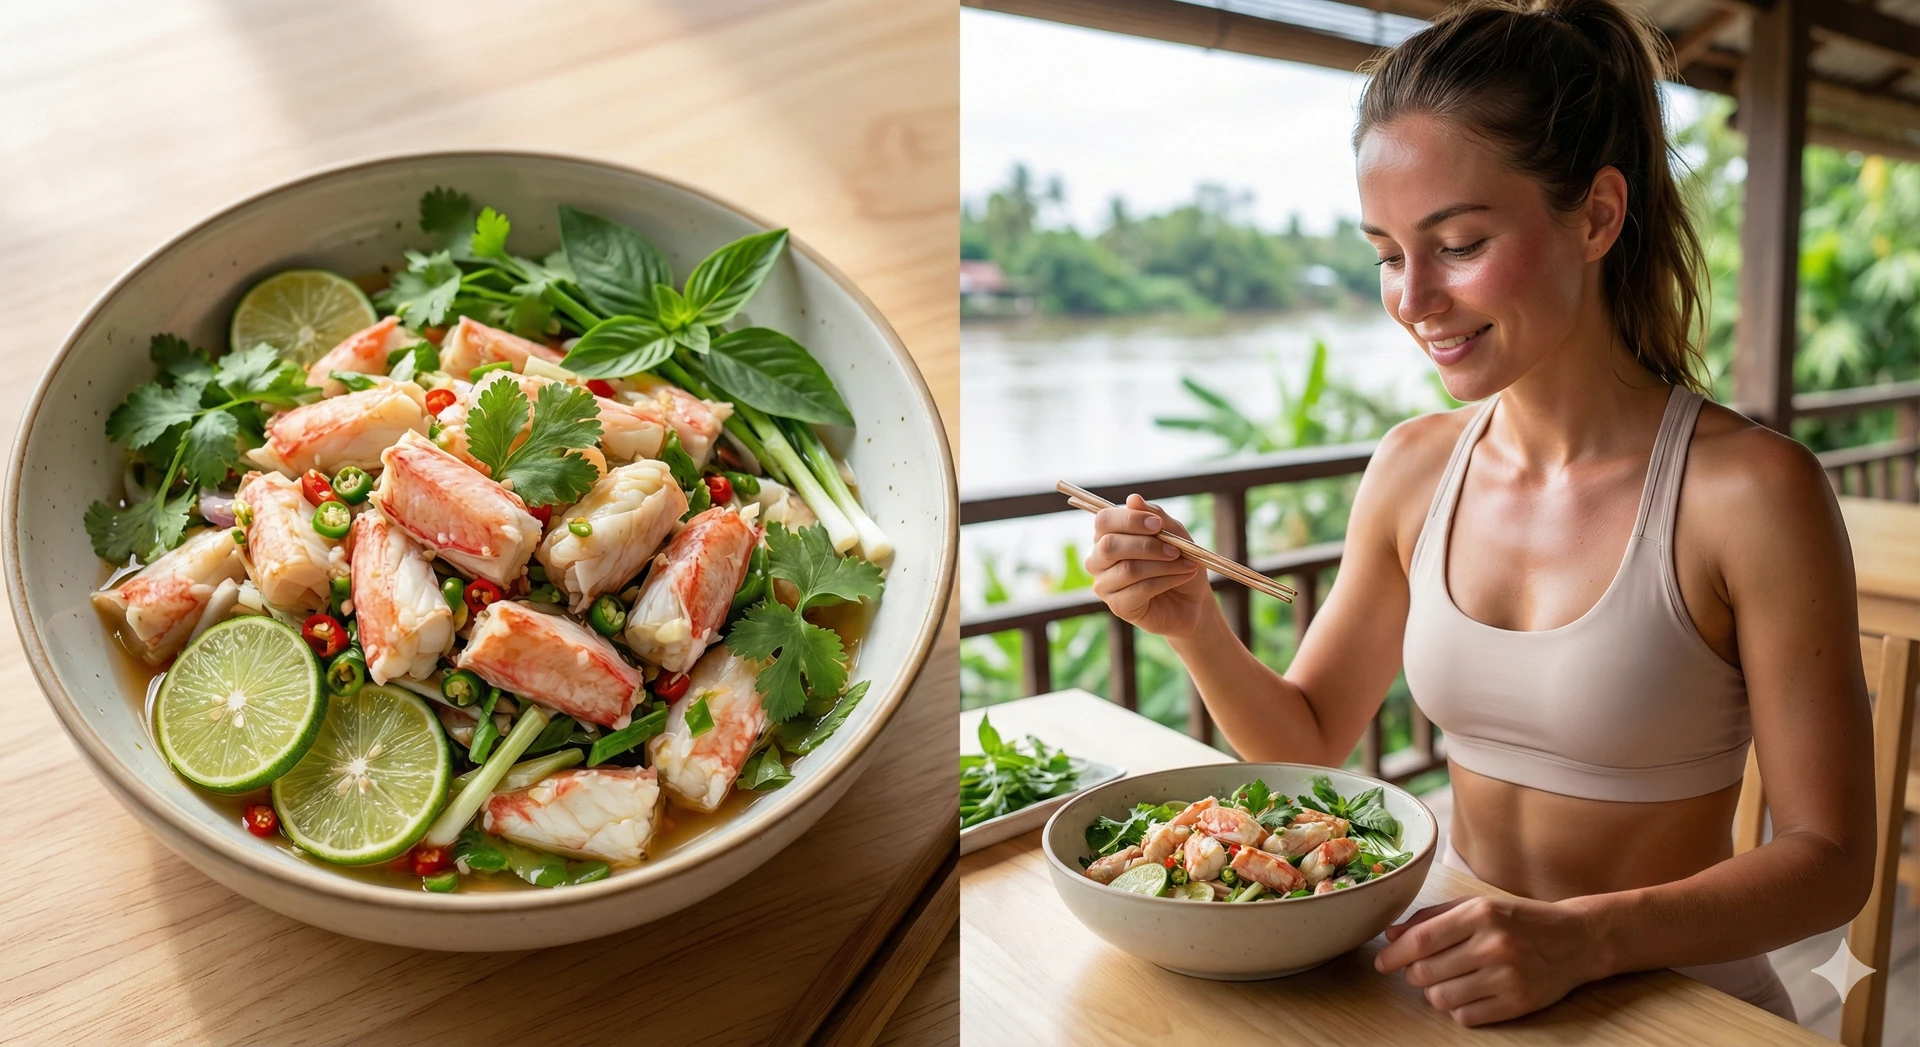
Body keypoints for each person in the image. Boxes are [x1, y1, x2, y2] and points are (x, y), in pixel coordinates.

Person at [1083, 0, 1877, 1027]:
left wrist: (1585, 936)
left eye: (1456, 243)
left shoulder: (1751, 492)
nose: (1413, 298)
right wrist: (1190, 623)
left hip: (1678, 1004)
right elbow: (1313, 738)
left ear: (1596, 215)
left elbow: (1830, 863)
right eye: (1385, 252)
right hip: (1461, 981)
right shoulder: (1414, 469)